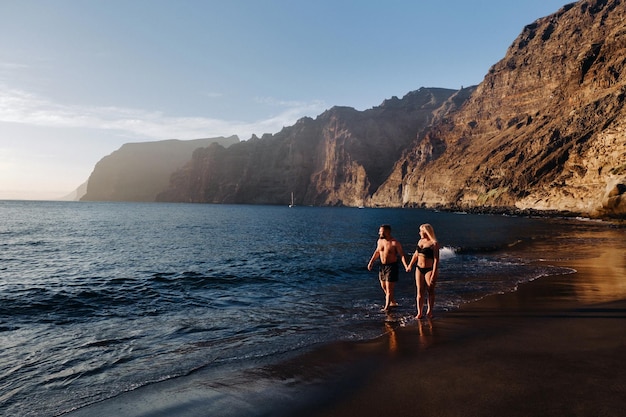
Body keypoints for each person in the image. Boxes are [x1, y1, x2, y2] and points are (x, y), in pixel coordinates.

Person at [367, 224, 409, 311]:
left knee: (389, 288)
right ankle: (392, 301)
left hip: (392, 266)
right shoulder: (379, 241)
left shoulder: (395, 243)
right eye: (379, 231)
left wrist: (405, 265)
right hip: (382, 266)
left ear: (387, 232)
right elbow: (377, 252)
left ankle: (387, 307)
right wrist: (371, 262)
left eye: (381, 231)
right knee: (383, 286)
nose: (379, 233)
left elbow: (402, 255)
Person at [406, 223, 440, 319]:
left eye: (421, 231)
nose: (419, 233)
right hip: (419, 268)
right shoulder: (420, 241)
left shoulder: (434, 243)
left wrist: (434, 273)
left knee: (430, 290)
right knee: (419, 291)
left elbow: (436, 260)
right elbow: (416, 254)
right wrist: (410, 265)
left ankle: (429, 311)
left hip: (429, 269)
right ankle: (419, 312)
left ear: (426, 232)